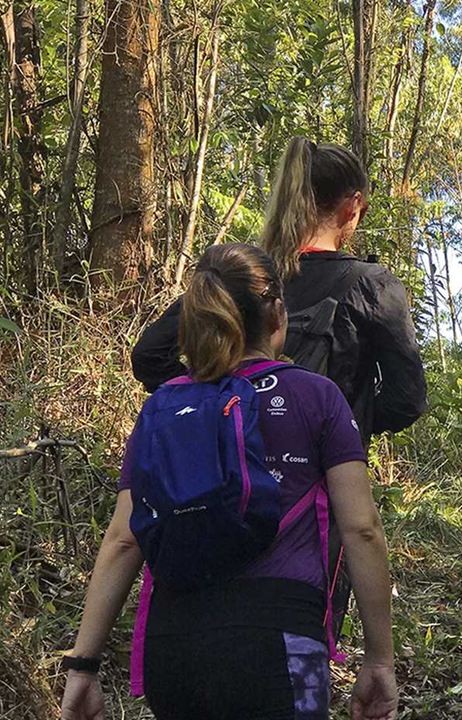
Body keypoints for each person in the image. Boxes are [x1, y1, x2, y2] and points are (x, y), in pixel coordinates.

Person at [60, 244, 398, 720]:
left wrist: (83, 666)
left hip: (172, 648)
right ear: (278, 314)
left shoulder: (163, 406)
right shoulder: (317, 396)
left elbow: (121, 540)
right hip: (278, 643)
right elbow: (362, 528)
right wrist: (379, 659)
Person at [132, 138, 427, 447]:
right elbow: (407, 400)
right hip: (326, 478)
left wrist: (212, 401)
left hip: (231, 469)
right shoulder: (371, 285)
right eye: (362, 211)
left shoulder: (242, 273)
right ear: (352, 206)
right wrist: (345, 423)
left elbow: (149, 355)